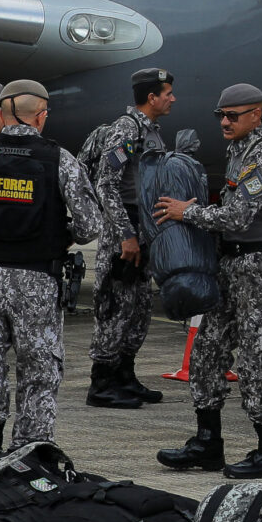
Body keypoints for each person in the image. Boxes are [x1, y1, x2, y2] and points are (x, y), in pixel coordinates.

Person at [0, 80, 108, 452]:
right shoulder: (60, 159)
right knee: (39, 374)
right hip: (37, 281)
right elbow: (91, 224)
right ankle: (32, 451)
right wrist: (60, 235)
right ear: (41, 117)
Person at [152, 84, 262, 480]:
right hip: (235, 266)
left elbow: (238, 216)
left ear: (256, 114)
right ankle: (208, 443)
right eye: (220, 115)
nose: (224, 122)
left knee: (258, 362)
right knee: (207, 352)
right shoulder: (239, 149)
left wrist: (189, 213)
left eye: (232, 115)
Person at [75, 68, 175, 410]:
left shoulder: (151, 132)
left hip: (144, 228)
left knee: (139, 308)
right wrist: (126, 235)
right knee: (116, 307)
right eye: (167, 93)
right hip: (125, 230)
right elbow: (106, 185)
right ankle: (102, 383)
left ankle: (124, 375)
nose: (172, 99)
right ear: (152, 97)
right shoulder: (126, 130)